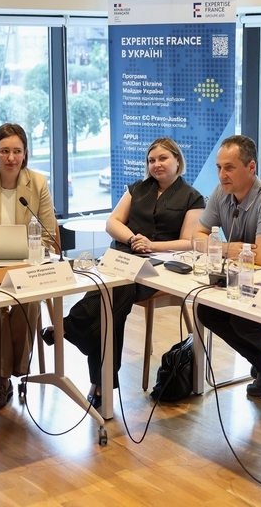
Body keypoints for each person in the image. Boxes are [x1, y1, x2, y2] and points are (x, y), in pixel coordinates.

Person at [41, 137, 204, 407]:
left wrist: (151, 245)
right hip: (122, 256)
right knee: (112, 301)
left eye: (163, 158)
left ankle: (74, 331)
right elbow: (112, 222)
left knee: (114, 292)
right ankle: (98, 378)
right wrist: (132, 239)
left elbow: (188, 241)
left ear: (177, 160)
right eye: (151, 160)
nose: (156, 164)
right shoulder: (137, 188)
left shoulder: (192, 197)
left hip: (158, 266)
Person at [194, 135, 261, 397]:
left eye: (229, 167)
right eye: (219, 167)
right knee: (207, 311)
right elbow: (196, 236)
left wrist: (218, 246)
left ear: (251, 167)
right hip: (245, 281)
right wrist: (229, 248)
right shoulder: (222, 192)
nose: (222, 175)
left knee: (243, 321)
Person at [0, 123, 57, 410]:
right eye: (4, 151)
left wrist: (28, 256)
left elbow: (48, 236)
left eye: (17, 151)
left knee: (28, 301)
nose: (11, 158)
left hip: (26, 265)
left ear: (25, 153)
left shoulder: (38, 183)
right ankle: (2, 379)